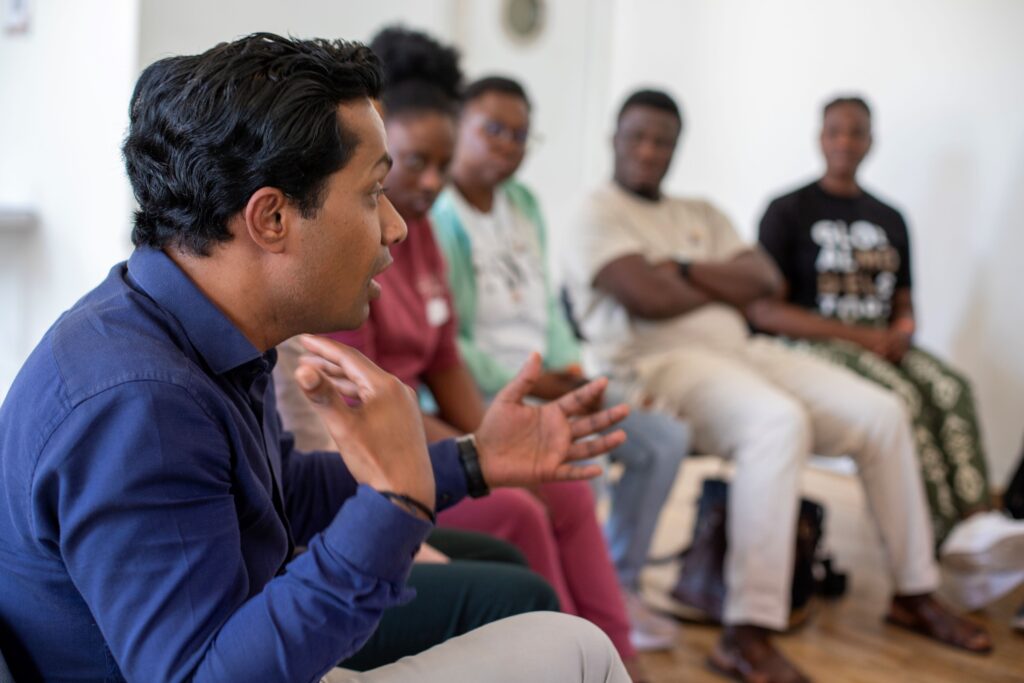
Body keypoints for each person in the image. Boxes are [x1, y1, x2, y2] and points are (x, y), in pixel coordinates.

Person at [0, 34, 632, 683]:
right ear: (271, 217)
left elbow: (282, 493)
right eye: (371, 192)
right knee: (574, 649)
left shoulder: (189, 328)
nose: (396, 226)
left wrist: (471, 459)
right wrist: (394, 504)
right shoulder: (139, 402)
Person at [560, 88, 992, 683]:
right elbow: (645, 297)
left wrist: (680, 270)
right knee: (777, 422)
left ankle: (914, 590)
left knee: (883, 411)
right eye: (637, 137)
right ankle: (748, 631)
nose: (650, 150)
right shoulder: (595, 211)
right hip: (660, 363)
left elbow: (762, 279)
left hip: (746, 349)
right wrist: (715, 282)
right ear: (615, 137)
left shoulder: (701, 212)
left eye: (663, 140)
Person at [269, 27, 646, 680]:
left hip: (406, 443)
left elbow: (443, 364)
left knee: (568, 491)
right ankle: (576, 653)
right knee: (522, 520)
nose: (427, 188)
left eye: (436, 166)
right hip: (383, 446)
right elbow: (368, 419)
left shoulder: (422, 240)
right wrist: (469, 463)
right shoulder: (344, 264)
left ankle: (616, 653)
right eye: (405, 168)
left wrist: (493, 443)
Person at [431, 74, 690, 651]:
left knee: (664, 440)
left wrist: (571, 371)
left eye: (522, 135)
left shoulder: (522, 203)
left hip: (549, 378)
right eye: (493, 129)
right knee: (576, 465)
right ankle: (580, 621)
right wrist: (536, 382)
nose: (508, 144)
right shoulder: (438, 214)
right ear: (459, 129)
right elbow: (452, 343)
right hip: (490, 392)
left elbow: (547, 303)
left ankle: (620, 585)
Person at [751, 94, 1024, 619]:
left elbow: (903, 299)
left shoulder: (890, 218)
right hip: (818, 343)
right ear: (820, 137)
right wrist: (856, 338)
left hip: (882, 341)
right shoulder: (787, 211)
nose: (846, 142)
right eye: (836, 131)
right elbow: (766, 311)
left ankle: (977, 526)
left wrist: (902, 328)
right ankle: (944, 547)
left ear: (871, 141)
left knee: (950, 387)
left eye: (856, 132)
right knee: (902, 400)